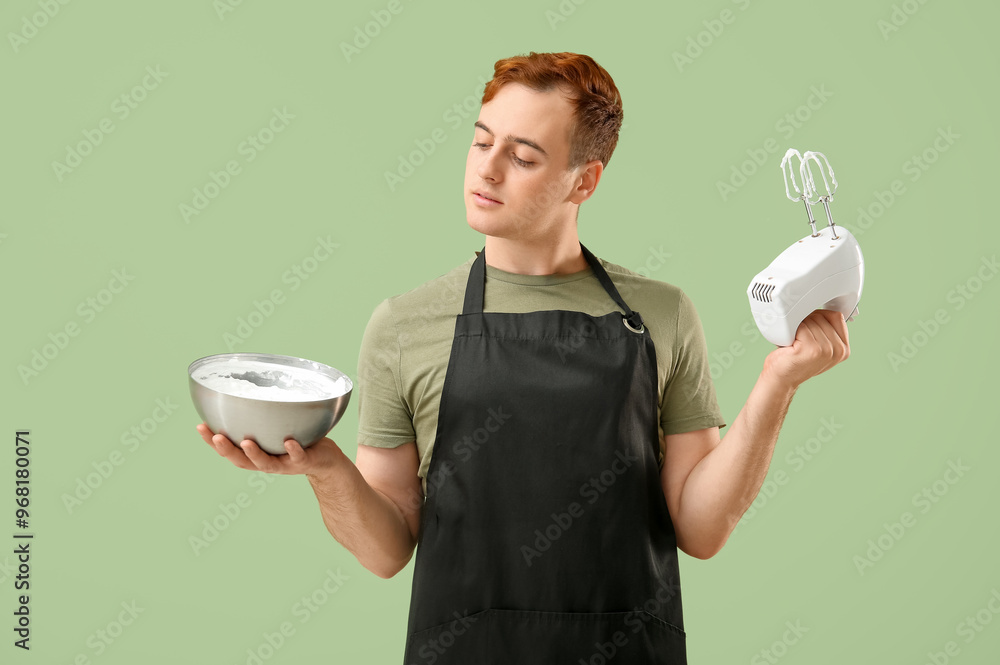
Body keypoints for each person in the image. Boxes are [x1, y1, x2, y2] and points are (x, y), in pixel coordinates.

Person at [197, 51, 850, 663]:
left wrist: (778, 381)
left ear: (584, 180)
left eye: (524, 155)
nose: (487, 168)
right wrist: (327, 470)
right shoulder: (403, 324)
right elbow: (387, 547)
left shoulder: (662, 314)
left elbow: (701, 528)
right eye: (481, 141)